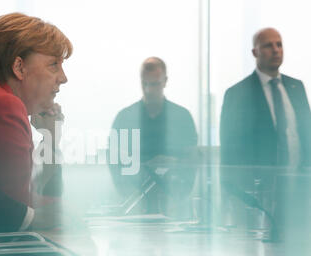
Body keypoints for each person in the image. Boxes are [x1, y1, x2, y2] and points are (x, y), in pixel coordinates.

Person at [0, 13, 72, 232]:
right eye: (53, 65)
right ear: (19, 67)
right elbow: (20, 211)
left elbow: (21, 201)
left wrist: (49, 138)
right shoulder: (4, 104)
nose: (63, 77)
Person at [109, 57, 198, 214]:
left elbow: (192, 161)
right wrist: (130, 195)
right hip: (134, 203)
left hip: (174, 202)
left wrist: (173, 163)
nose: (149, 90)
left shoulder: (182, 117)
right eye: (145, 84)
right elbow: (115, 162)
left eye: (155, 84)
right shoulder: (125, 118)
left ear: (165, 81)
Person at [220, 28, 311, 167]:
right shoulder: (238, 94)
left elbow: (306, 133)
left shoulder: (296, 87)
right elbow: (230, 148)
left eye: (279, 45)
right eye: (268, 45)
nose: (276, 50)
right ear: (255, 52)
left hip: (299, 180)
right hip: (259, 183)